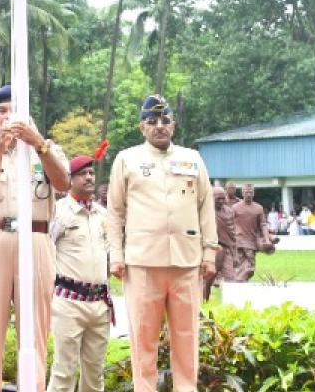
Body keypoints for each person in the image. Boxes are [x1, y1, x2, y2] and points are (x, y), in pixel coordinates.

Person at [105, 95, 218, 392]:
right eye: (152, 122)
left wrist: (210, 253)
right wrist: (115, 254)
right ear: (142, 127)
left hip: (186, 261)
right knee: (143, 337)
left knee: (187, 335)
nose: (159, 127)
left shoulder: (192, 159)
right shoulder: (126, 159)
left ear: (174, 126)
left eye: (165, 121)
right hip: (142, 262)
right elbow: (115, 212)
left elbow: (205, 207)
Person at [0, 84, 71, 392]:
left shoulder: (46, 150)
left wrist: (38, 144)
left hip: (35, 238)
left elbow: (63, 183)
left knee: (35, 328)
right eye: (1, 111)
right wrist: (0, 150)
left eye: (15, 110)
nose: (8, 116)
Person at [48, 141, 110, 392]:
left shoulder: (103, 215)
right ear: (69, 180)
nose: (88, 177)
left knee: (95, 376)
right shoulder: (59, 212)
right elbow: (45, 249)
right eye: (82, 174)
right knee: (64, 372)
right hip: (68, 302)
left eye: (91, 173)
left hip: (99, 303)